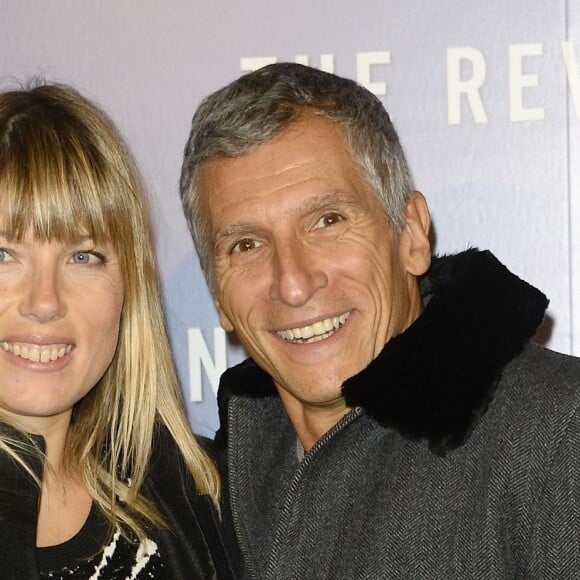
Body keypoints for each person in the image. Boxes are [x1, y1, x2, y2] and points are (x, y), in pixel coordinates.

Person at [179, 62, 580, 579]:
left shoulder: (558, 437)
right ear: (216, 292)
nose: (294, 283)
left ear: (411, 234)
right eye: (246, 245)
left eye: (327, 221)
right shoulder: (208, 493)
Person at [0, 83, 237, 579]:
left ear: (129, 285)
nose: (45, 301)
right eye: (3, 256)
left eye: (83, 256)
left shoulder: (192, 494)